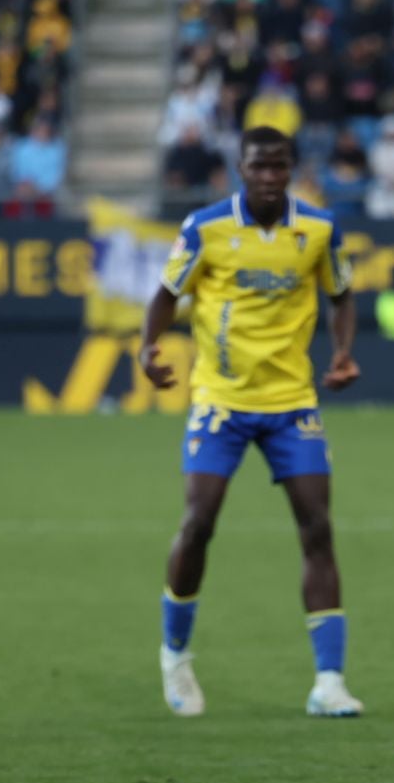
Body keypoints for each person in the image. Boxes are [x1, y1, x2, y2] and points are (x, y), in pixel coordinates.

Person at [139, 127, 365, 719]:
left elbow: (342, 294)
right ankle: (175, 656)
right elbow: (167, 293)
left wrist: (342, 352)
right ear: (240, 168)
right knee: (199, 522)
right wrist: (147, 348)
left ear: (291, 169)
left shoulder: (317, 228)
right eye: (259, 165)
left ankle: (329, 681)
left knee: (317, 527)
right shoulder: (207, 227)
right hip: (222, 400)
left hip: (292, 401)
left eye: (279, 165)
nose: (270, 175)